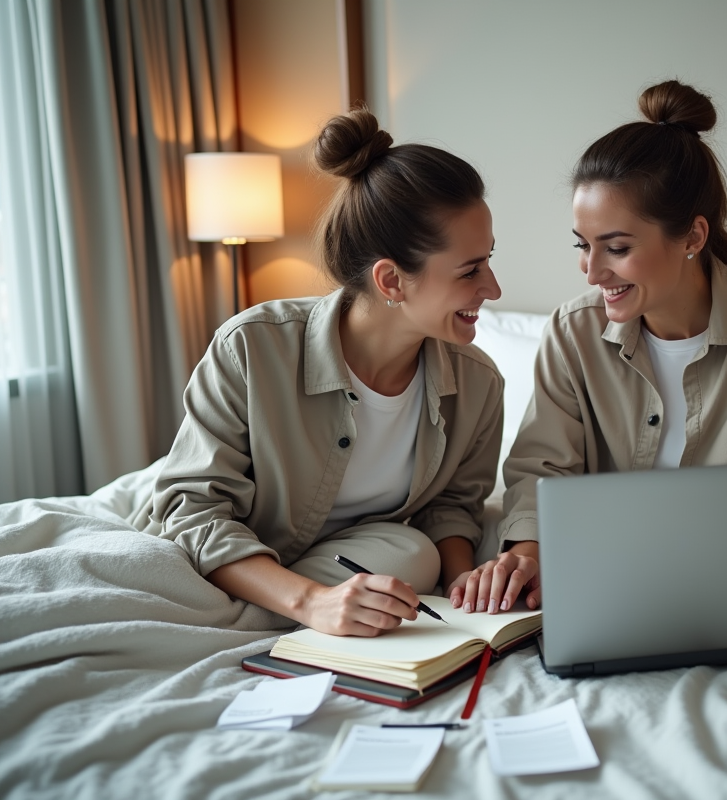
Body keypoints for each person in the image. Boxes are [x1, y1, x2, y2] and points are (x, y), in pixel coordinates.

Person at [455, 80, 727, 616]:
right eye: (583, 245)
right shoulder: (573, 332)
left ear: (692, 237)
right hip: (598, 572)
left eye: (616, 248)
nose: (592, 272)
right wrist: (530, 553)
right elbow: (541, 471)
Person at [143, 107, 504, 636]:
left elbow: (452, 507)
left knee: (413, 552)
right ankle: (262, 603)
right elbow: (195, 508)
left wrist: (465, 593)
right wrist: (311, 603)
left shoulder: (478, 385)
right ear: (391, 280)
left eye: (488, 260)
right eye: (471, 270)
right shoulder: (252, 349)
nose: (493, 289)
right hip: (231, 545)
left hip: (349, 558)